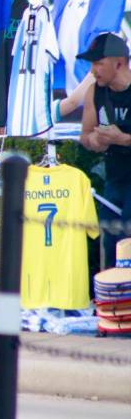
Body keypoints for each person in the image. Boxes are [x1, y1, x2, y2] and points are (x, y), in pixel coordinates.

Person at [78, 33, 131, 269]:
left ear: (119, 63)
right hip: (114, 178)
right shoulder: (95, 92)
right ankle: (113, 301)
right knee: (111, 244)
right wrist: (95, 142)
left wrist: (124, 139)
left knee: (128, 243)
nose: (92, 70)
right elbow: (85, 135)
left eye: (98, 63)